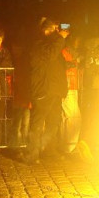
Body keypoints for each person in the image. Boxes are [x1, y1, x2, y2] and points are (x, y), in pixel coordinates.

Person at [21, 17, 68, 164]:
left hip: (54, 90)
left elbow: (58, 65)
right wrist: (60, 38)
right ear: (46, 31)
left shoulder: (53, 45)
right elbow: (50, 54)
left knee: (54, 121)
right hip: (43, 90)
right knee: (37, 123)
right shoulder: (38, 45)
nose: (57, 32)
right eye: (54, 29)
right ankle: (31, 154)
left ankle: (48, 150)